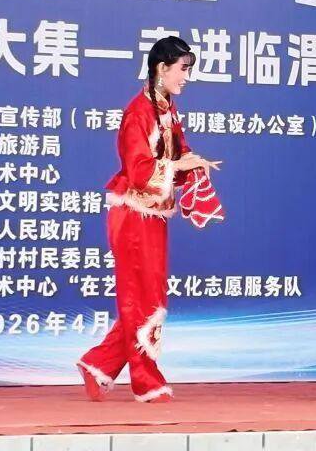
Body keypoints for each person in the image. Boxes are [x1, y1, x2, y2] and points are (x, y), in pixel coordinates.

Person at [77, 36, 221, 403]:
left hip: (152, 214)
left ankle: (98, 363)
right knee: (140, 298)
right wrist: (178, 164)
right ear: (161, 68)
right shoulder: (139, 112)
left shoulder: (166, 108)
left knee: (150, 298)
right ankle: (146, 380)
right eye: (183, 69)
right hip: (132, 214)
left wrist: (192, 164)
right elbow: (139, 168)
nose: (186, 77)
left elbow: (177, 151)